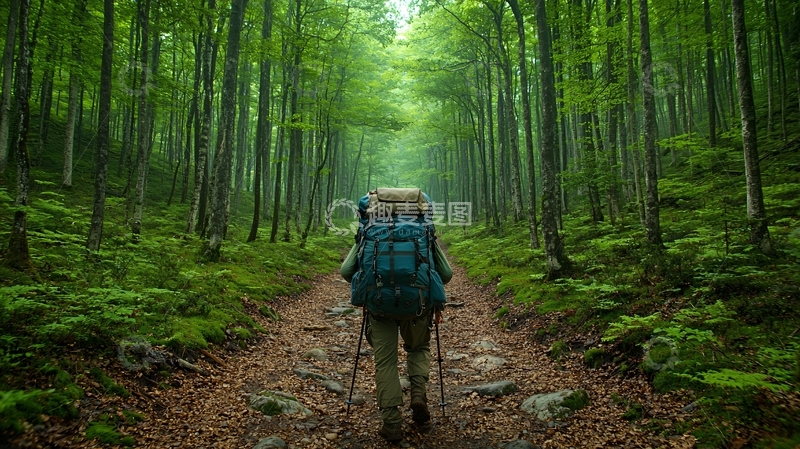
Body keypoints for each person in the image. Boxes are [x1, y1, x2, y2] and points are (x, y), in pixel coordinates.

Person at [340, 192, 453, 442]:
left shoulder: (370, 231)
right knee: (418, 347)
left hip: (380, 308)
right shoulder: (423, 231)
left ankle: (391, 424)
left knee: (386, 362)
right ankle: (418, 396)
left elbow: (346, 270)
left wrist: (368, 286)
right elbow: (446, 274)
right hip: (418, 306)